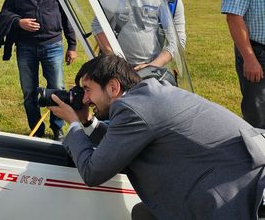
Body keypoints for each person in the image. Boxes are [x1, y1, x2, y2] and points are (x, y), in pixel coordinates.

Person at [50, 54, 265, 220]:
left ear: (113, 87)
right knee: (144, 214)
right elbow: (121, 144)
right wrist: (87, 123)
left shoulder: (131, 108)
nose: (85, 99)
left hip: (240, 199)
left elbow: (92, 171)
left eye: (88, 90)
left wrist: (74, 124)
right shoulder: (145, 97)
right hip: (240, 180)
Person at [1, 0, 77, 140]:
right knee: (29, 91)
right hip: (26, 47)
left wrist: (72, 45)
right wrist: (19, 22)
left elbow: (67, 15)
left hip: (53, 45)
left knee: (57, 89)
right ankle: (37, 130)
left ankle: (57, 128)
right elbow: (5, 12)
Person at [221, 0, 265, 129]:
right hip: (256, 52)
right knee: (257, 112)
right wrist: (249, 59)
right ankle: (258, 156)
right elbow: (234, 18)